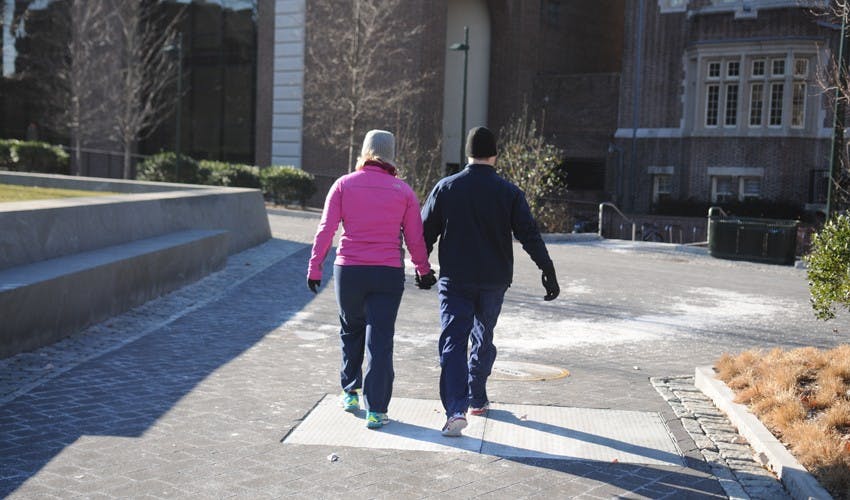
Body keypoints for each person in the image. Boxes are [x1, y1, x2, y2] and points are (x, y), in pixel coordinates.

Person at [419, 126, 560, 437]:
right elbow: (529, 234)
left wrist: (422, 268)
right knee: (484, 335)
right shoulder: (509, 192)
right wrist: (546, 268)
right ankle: (478, 397)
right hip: (495, 279)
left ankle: (456, 408)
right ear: (495, 154)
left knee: (454, 339)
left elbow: (423, 233)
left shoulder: (446, 188)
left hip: (456, 278)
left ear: (467, 153)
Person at [307, 129, 436, 430]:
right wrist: (423, 270)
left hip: (349, 272)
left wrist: (315, 267)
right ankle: (376, 410)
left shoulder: (342, 185)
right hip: (387, 272)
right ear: (391, 156)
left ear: (365, 153)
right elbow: (415, 238)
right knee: (379, 339)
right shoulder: (403, 191)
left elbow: (326, 229)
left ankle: (350, 391)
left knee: (351, 329)